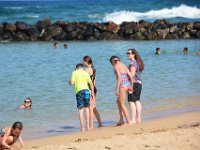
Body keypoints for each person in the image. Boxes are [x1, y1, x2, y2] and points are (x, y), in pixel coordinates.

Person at [69, 63, 95, 131]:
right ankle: (88, 126)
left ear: (76, 68)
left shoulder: (74, 72)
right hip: (86, 91)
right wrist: (92, 93)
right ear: (82, 68)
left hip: (79, 91)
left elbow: (72, 83)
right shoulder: (85, 73)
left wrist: (69, 82)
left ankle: (82, 127)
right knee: (87, 108)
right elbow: (91, 83)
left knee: (81, 109)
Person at [110, 56, 133, 125]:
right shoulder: (123, 64)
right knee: (118, 101)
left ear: (112, 62)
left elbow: (119, 78)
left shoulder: (116, 66)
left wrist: (116, 89)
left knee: (122, 104)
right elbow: (131, 76)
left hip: (122, 84)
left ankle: (128, 121)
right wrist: (131, 86)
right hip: (127, 83)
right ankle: (121, 120)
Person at [83, 56, 103, 128]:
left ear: (86, 61)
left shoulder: (86, 70)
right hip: (94, 89)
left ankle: (90, 125)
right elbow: (94, 82)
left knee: (90, 108)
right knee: (93, 108)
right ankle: (100, 123)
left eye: (83, 61)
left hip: (89, 89)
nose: (82, 62)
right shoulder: (94, 69)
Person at [127, 49, 144, 123]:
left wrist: (126, 72)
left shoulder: (132, 64)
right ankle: (139, 118)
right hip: (139, 83)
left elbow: (132, 75)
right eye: (127, 53)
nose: (128, 55)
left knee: (131, 101)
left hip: (134, 83)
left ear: (134, 54)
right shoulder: (137, 62)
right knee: (137, 100)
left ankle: (133, 119)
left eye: (129, 53)